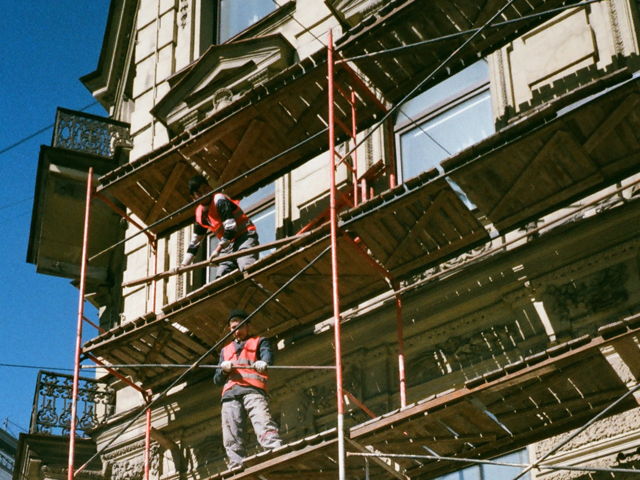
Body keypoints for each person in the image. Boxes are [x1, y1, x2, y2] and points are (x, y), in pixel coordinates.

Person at [213, 309, 283, 468]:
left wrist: (264, 362)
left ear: (247, 326)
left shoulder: (259, 341)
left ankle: (273, 447)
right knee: (231, 431)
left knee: (261, 419)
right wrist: (223, 370)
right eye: (232, 328)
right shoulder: (225, 350)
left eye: (239, 326)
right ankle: (236, 463)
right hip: (231, 394)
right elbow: (217, 379)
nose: (236, 331)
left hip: (252, 389)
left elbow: (268, 357)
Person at [181, 175, 259, 277]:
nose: (204, 194)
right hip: (227, 246)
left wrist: (217, 250)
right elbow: (195, 242)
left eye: (205, 189)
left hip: (244, 237)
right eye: (199, 193)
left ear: (209, 188)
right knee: (221, 278)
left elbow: (230, 228)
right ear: (193, 198)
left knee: (248, 269)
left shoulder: (219, 200)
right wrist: (184, 265)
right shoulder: (200, 213)